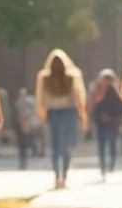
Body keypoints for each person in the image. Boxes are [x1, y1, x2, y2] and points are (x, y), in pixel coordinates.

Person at [37, 49, 88, 189]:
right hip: (69, 113)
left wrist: (42, 115)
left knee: (55, 146)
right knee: (66, 146)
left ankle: (56, 176)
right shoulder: (72, 77)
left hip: (53, 113)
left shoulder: (45, 78)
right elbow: (78, 98)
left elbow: (42, 99)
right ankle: (63, 176)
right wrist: (83, 116)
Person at [91, 69, 122, 181]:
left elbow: (121, 106)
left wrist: (114, 117)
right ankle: (102, 168)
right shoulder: (97, 90)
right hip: (100, 122)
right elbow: (94, 106)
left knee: (112, 145)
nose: (106, 82)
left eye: (108, 79)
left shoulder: (116, 91)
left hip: (112, 122)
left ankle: (111, 166)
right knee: (101, 146)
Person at [14, 86, 38, 170]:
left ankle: (23, 163)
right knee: (23, 145)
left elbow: (22, 116)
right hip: (24, 126)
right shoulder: (23, 103)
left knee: (23, 145)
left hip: (24, 126)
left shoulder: (21, 103)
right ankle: (23, 162)